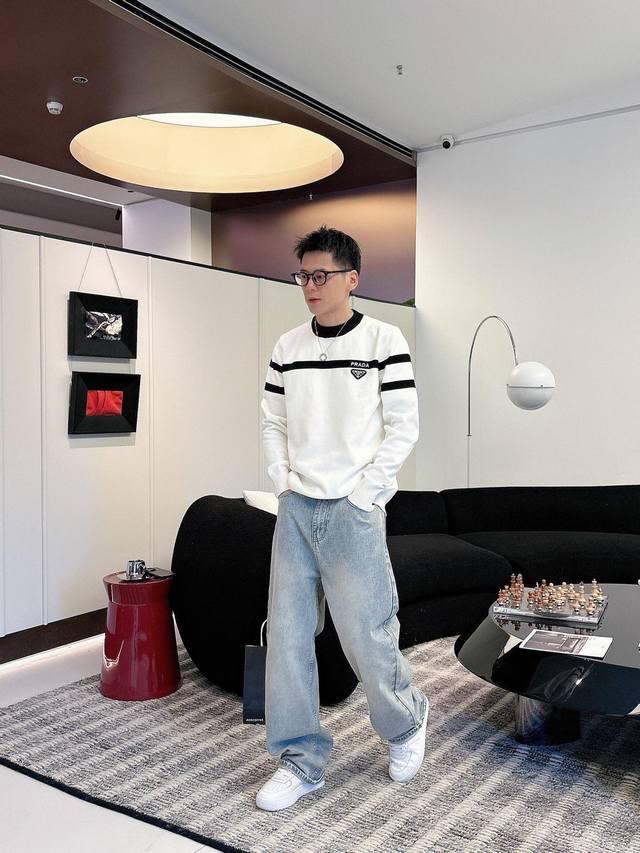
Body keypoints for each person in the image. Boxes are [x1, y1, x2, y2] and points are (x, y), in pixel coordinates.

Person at [256, 225, 428, 812]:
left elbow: (403, 426)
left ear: (352, 278)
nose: (310, 285)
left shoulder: (384, 340)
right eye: (303, 275)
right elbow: (273, 422)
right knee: (287, 638)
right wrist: (283, 484)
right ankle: (300, 760)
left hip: (353, 510)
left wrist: (365, 495)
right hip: (296, 509)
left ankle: (405, 723)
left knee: (366, 632)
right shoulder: (287, 347)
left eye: (321, 274)